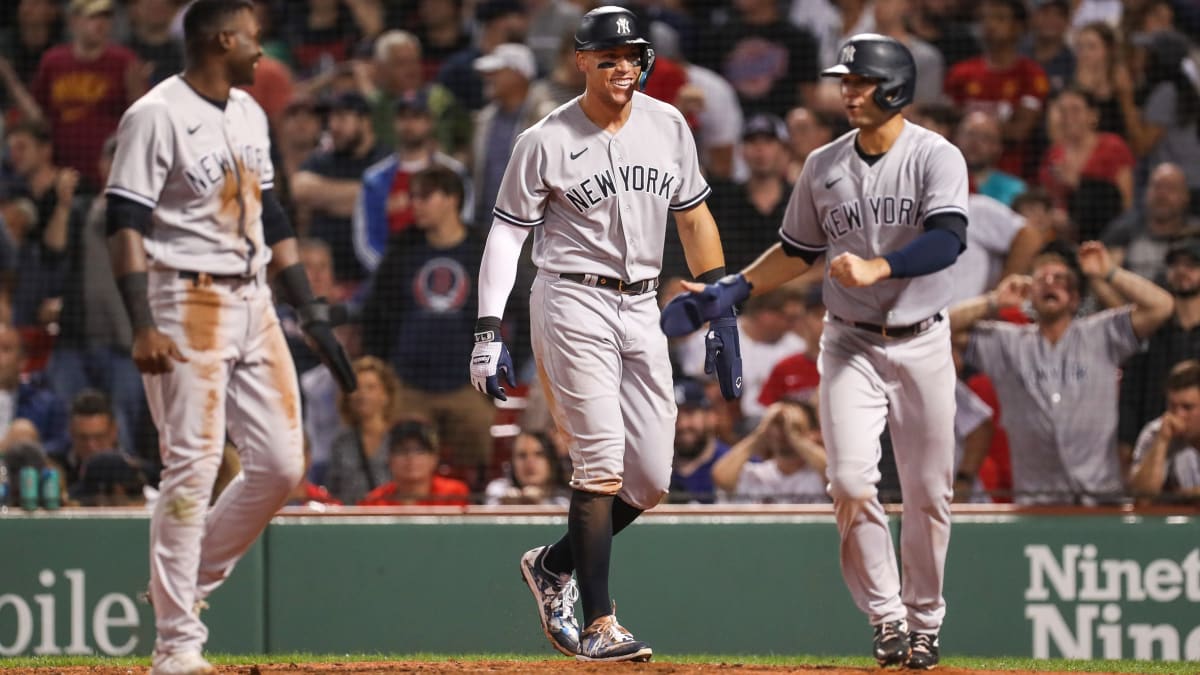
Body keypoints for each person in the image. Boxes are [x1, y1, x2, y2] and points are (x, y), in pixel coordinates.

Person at [660, 34, 969, 669]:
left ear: (895, 88)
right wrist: (737, 287)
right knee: (851, 481)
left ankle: (926, 621)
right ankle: (887, 617)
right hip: (850, 339)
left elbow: (949, 241)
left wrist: (881, 268)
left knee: (929, 493)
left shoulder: (936, 155)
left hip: (922, 341)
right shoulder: (823, 163)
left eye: (859, 82)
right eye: (846, 82)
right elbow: (799, 252)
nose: (847, 91)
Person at [470, 6, 735, 662]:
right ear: (581, 61)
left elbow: (694, 217)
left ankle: (552, 564)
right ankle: (601, 623)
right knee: (600, 462)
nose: (624, 68)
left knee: (648, 479)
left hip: (643, 303)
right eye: (609, 57)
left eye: (633, 57)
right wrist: (487, 327)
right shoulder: (546, 138)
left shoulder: (668, 123)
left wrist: (723, 304)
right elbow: (507, 232)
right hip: (570, 300)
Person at [103, 2, 356, 673]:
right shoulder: (155, 113)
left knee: (279, 465)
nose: (261, 47)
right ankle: (176, 643)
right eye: (251, 36)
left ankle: (177, 589)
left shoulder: (248, 110)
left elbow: (270, 211)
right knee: (190, 465)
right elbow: (123, 219)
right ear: (221, 39)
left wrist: (313, 308)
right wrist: (142, 322)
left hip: (254, 297)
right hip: (184, 299)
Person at [949, 242, 1175, 504]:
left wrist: (1111, 273)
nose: (1050, 283)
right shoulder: (1007, 344)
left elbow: (1162, 306)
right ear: (1031, 296)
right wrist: (993, 300)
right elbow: (943, 327)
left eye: (1060, 279)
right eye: (1041, 279)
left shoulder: (1101, 334)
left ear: (1075, 297)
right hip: (1035, 502)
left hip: (1101, 498)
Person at [290, 90, 389, 285]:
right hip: (325, 280)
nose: (333, 126)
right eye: (331, 118)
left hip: (373, 277)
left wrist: (327, 200)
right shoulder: (324, 159)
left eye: (342, 118)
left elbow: (391, 199)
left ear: (364, 121)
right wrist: (366, 199)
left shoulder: (384, 160)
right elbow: (300, 189)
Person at [711, 399, 829, 503]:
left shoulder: (819, 475)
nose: (783, 432)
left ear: (813, 434)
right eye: (776, 425)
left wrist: (797, 438)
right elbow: (720, 477)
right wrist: (761, 433)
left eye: (796, 426)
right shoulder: (756, 474)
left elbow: (835, 475)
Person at [324, 356, 401, 505]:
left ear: (386, 395)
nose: (363, 395)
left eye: (371, 387)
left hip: (391, 518)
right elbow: (332, 492)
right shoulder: (341, 442)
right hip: (351, 521)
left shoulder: (400, 438)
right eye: (357, 388)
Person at [1129, 359, 1200, 503]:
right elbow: (1142, 499)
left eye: (1187, 407)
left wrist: (1186, 496)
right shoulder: (1155, 433)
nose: (1178, 415)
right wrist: (1162, 442)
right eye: (1172, 406)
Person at [358, 419, 471, 506]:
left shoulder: (454, 494)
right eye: (402, 451)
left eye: (420, 451)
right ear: (389, 459)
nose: (411, 458)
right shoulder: (373, 502)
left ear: (434, 458)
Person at [668, 376, 730, 504]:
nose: (682, 424)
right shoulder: (655, 468)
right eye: (674, 414)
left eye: (690, 413)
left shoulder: (731, 461)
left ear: (710, 416)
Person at [484, 430, 570, 506]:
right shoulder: (498, 489)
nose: (530, 462)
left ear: (551, 461)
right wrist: (506, 504)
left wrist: (540, 503)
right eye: (522, 455)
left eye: (538, 454)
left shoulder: (565, 496)